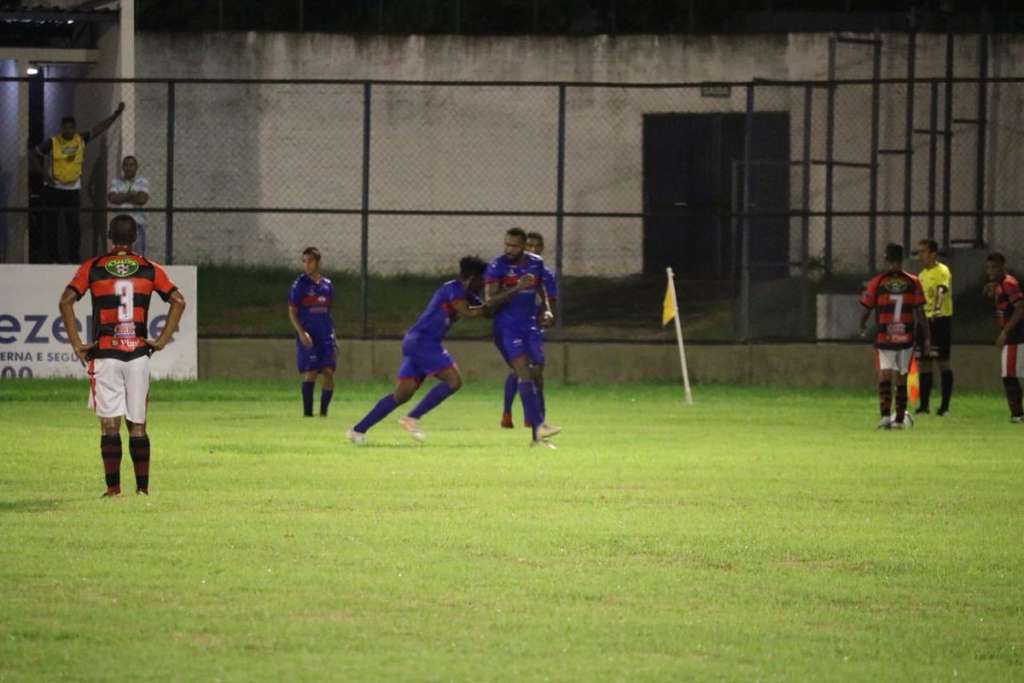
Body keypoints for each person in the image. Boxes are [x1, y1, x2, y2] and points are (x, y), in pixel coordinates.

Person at [58, 214, 186, 496]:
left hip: (106, 353)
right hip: (138, 354)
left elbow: (66, 301)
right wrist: (162, 340)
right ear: (135, 238)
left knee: (109, 423)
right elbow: (178, 300)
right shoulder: (149, 268)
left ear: (109, 237)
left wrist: (78, 343)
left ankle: (114, 490)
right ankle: (143, 490)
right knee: (138, 425)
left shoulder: (94, 268)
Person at [347, 256, 507, 445]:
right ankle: (412, 418)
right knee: (454, 381)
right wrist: (488, 305)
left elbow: (487, 312)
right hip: (423, 342)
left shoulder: (468, 295)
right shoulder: (452, 288)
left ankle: (357, 430)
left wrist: (504, 297)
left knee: (401, 395)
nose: (484, 283)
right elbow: (467, 311)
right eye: (482, 279)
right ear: (472, 278)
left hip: (417, 342)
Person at [486, 227, 560, 446]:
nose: (509, 249)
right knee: (523, 372)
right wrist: (517, 287)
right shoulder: (497, 266)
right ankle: (539, 428)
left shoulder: (535, 263)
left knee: (537, 373)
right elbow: (490, 300)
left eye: (514, 245)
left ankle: (539, 430)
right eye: (507, 244)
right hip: (507, 327)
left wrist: (546, 309)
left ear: (523, 246)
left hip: (530, 326)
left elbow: (541, 289)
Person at [30, 103, 126, 264]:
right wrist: (45, 175)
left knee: (73, 226)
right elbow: (33, 154)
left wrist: (116, 114)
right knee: (52, 225)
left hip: (72, 190)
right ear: (61, 128)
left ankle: (73, 258)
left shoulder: (80, 139)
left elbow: (99, 128)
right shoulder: (53, 142)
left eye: (70, 128)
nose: (68, 131)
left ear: (74, 129)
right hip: (54, 189)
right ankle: (53, 258)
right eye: (65, 128)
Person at [858, 243, 929, 430]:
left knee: (885, 375)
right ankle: (898, 420)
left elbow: (866, 307)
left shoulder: (878, 282)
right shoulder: (913, 281)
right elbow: (920, 312)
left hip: (885, 336)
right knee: (902, 377)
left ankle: (884, 417)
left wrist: (862, 324)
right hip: (905, 336)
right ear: (902, 259)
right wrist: (927, 336)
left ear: (886, 259)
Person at [500, 231, 557, 429]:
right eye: (529, 246)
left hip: (534, 326)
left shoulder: (545, 273)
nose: (532, 249)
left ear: (542, 248)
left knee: (536, 372)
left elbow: (550, 298)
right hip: (515, 326)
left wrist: (547, 314)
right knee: (518, 370)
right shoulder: (509, 268)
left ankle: (535, 417)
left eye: (536, 246)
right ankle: (508, 412)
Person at [288, 247, 337, 417]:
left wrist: (333, 336)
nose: (306, 265)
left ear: (318, 262)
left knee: (329, 372)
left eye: (310, 261)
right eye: (304, 261)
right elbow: (292, 311)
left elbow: (328, 312)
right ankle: (307, 414)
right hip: (309, 335)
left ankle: (323, 413)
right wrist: (301, 332)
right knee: (311, 371)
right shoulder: (299, 284)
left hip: (325, 335)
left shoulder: (327, 285)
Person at [913, 239, 954, 415]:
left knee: (942, 361)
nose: (920, 255)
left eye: (923, 252)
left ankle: (944, 407)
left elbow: (941, 290)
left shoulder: (942, 270)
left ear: (933, 254)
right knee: (924, 362)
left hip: (940, 320)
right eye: (919, 252)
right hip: (923, 321)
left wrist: (937, 308)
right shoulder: (921, 275)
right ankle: (924, 405)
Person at [984, 252, 1024, 422]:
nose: (990, 271)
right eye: (988, 267)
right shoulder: (999, 284)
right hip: (1012, 336)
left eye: (994, 267)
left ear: (1002, 267)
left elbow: (1020, 308)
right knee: (1010, 374)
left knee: (1010, 374)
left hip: (1016, 336)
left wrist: (1005, 331)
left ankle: (1017, 415)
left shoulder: (1009, 283)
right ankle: (1017, 414)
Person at [107, 155, 151, 255]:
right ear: (122, 167)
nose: (128, 167)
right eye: (126, 165)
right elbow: (112, 198)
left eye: (131, 165)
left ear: (136, 167)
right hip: (120, 226)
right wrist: (132, 194)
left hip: (137, 224)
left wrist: (122, 196)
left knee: (139, 255)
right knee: (119, 255)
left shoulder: (142, 181)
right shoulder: (116, 181)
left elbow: (142, 199)